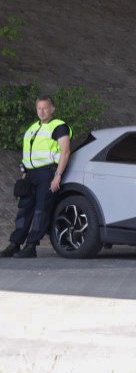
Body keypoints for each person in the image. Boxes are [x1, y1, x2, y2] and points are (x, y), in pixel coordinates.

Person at [5, 95, 72, 259]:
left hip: (48, 173)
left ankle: (31, 246)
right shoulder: (33, 128)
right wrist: (24, 174)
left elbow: (65, 152)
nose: (41, 111)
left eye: (45, 108)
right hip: (31, 174)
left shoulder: (59, 126)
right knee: (24, 209)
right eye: (39, 108)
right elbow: (29, 153)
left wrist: (58, 176)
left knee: (41, 210)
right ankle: (15, 244)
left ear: (52, 109)